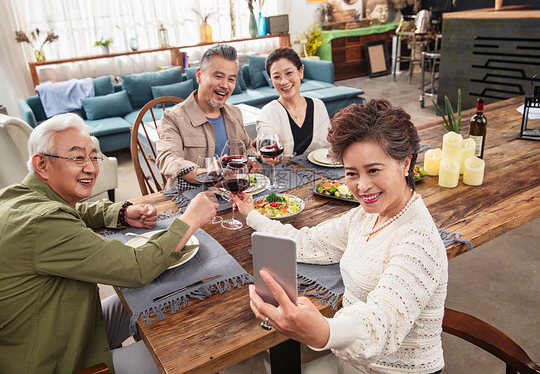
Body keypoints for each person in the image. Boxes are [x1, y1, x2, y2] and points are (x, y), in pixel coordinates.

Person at [0, 113, 218, 374]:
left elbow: (70, 213)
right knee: (192, 348)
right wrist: (189, 220)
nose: (91, 168)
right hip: (52, 360)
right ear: (42, 165)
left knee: (152, 298)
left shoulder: (16, 198)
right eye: (78, 158)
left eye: (94, 157)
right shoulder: (43, 224)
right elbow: (135, 268)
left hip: (48, 327)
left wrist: (119, 212)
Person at [232, 99, 448, 374]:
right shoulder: (366, 215)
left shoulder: (417, 239)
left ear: (406, 163)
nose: (362, 186)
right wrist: (251, 214)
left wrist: (323, 330)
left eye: (373, 170)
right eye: (351, 173)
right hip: (351, 359)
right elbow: (309, 243)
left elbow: (380, 326)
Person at [156, 43, 260, 190]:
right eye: (218, 76)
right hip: (189, 198)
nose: (225, 85)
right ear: (199, 75)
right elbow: (167, 159)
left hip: (231, 195)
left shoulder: (235, 113)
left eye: (231, 79)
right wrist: (205, 174)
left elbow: (247, 147)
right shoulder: (172, 117)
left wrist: (252, 159)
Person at [256, 47, 330, 158]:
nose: (284, 81)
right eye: (276, 77)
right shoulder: (268, 112)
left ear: (301, 72)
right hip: (284, 173)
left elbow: (328, 147)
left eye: (289, 73)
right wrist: (267, 155)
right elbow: (267, 141)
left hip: (321, 171)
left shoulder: (318, 105)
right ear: (271, 80)